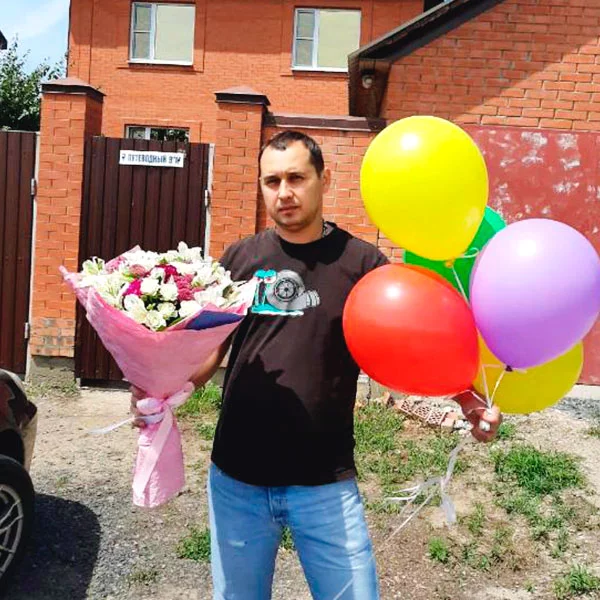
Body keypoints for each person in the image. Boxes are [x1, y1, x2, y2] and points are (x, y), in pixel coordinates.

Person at [132, 131, 502, 600]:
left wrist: (467, 397)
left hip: (324, 482)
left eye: (296, 178)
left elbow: (412, 340)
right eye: (272, 181)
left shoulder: (362, 265)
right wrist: (160, 386)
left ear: (324, 180)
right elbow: (209, 350)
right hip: (238, 479)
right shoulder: (239, 260)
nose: (284, 192)